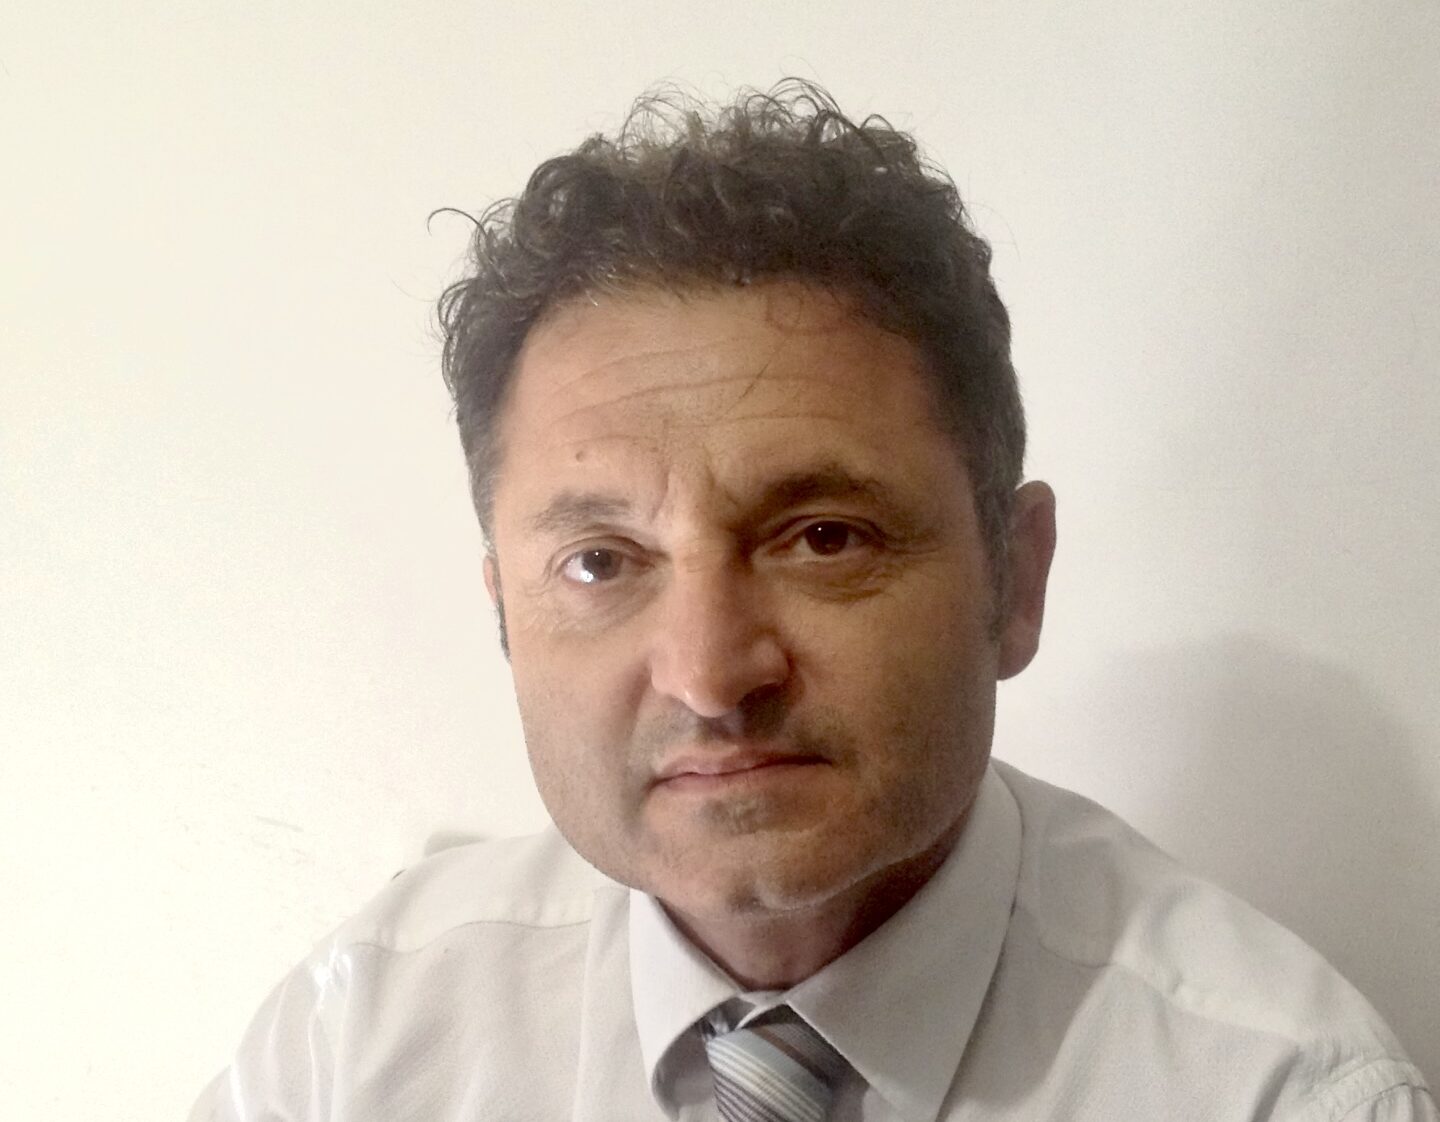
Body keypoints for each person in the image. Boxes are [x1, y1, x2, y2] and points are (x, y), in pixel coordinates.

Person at [190, 82, 1435, 1121]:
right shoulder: (359, 1043)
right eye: (602, 562)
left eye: (823, 538)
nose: (709, 674)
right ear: (504, 617)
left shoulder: (1279, 1090)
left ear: (1017, 579)